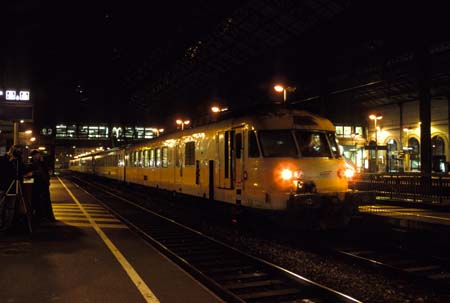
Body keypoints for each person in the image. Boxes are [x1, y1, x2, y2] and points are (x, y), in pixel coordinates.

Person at [28, 149, 55, 222]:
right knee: (43, 201)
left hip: (40, 184)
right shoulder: (40, 162)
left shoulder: (40, 163)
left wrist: (33, 173)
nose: (36, 156)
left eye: (36, 155)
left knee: (41, 201)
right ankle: (45, 216)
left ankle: (42, 216)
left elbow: (41, 172)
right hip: (42, 184)